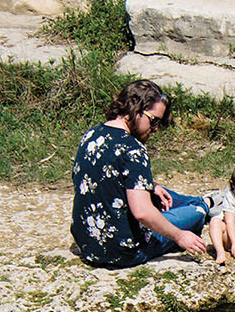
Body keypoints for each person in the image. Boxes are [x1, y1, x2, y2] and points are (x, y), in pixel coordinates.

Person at [70, 80, 208, 268]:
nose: (155, 128)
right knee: (196, 214)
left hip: (89, 245)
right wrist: (180, 236)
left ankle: (204, 201)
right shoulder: (133, 150)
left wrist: (152, 186)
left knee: (157, 190)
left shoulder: (91, 135)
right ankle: (205, 205)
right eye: (154, 120)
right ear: (136, 109)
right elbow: (142, 213)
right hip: (123, 250)